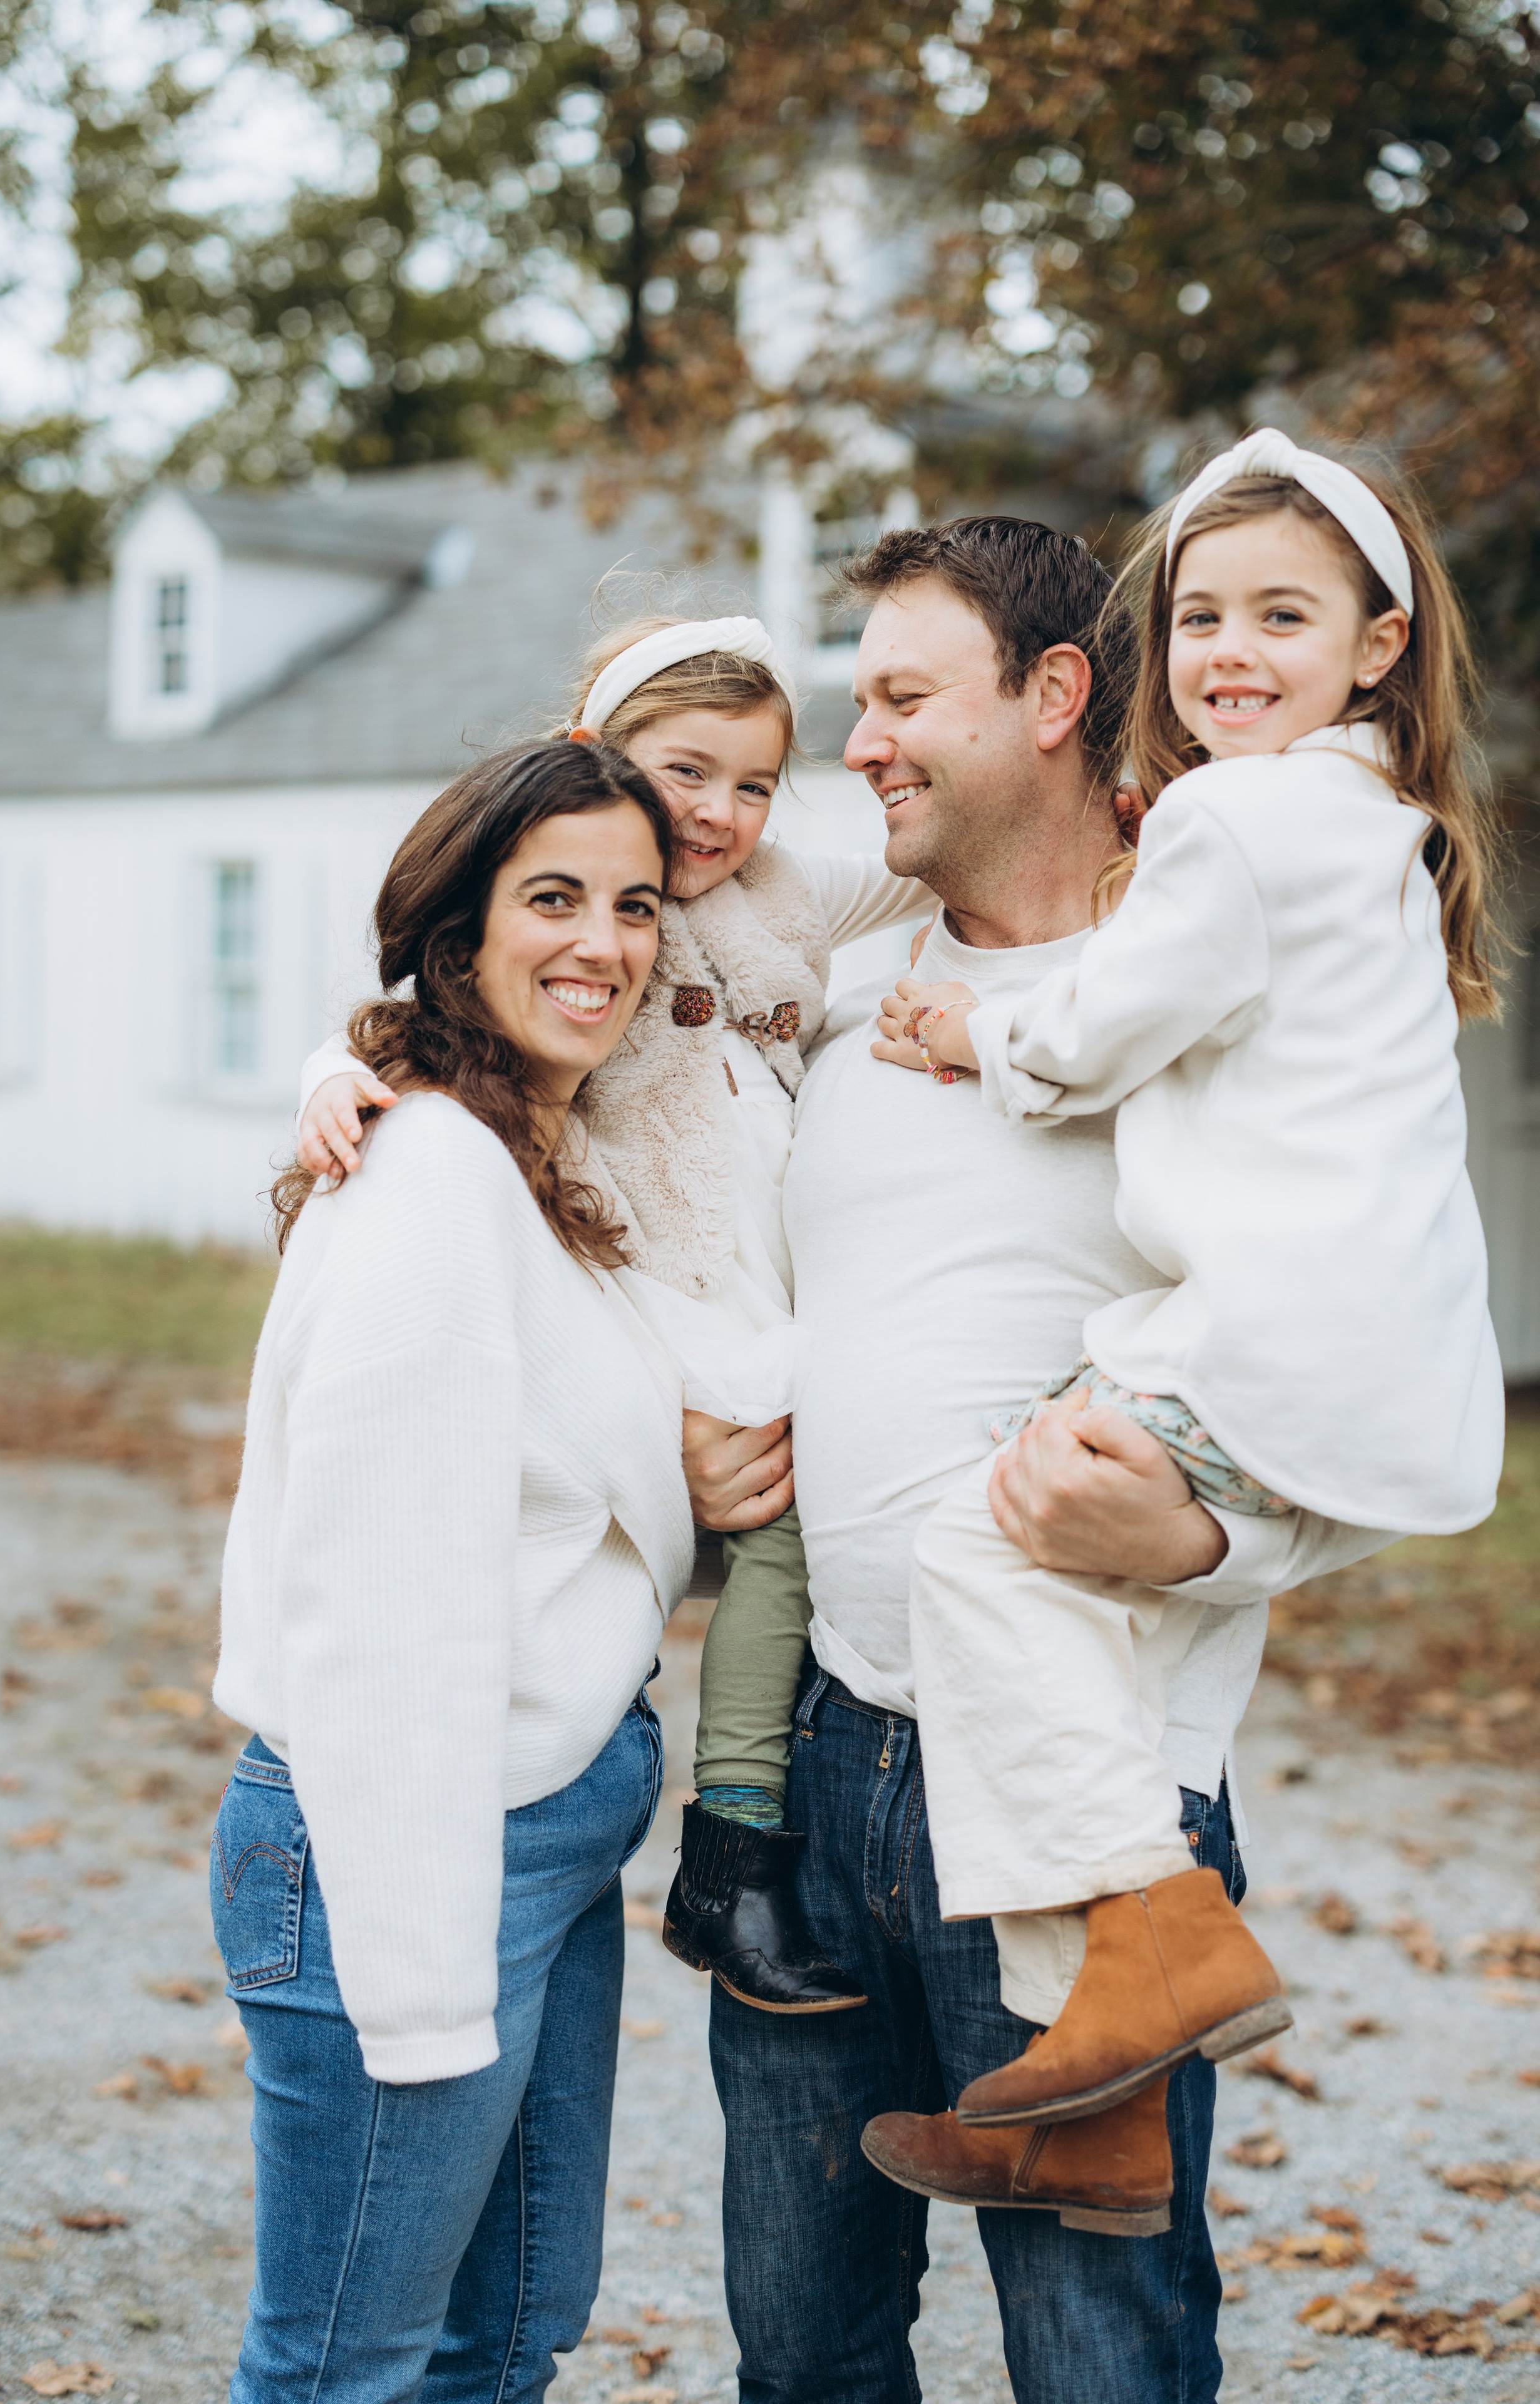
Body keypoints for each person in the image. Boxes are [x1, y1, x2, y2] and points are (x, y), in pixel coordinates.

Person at [680, 515, 1405, 2402]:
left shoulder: (1231, 1012)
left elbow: (1354, 1367)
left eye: (908, 696)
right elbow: (528, 1005)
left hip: (1090, 1795)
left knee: (1103, 2362)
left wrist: (1200, 1548)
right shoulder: (836, 997)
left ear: (1058, 696)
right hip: (817, 1771)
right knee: (805, 2354)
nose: (865, 743)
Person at [867, 432, 1505, 2149]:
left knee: (979, 1544)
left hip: (1260, 1338)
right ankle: (1095, 2091)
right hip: (1378, 1358)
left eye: (1281, 616)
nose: (1229, 652)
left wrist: (969, 1028)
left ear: (1379, 643)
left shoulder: (1239, 814)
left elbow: (1107, 1024)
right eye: (1202, 613)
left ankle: (1155, 1937)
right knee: (1092, 1627)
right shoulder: (1378, 821)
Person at [295, 610, 932, 2016]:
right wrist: (319, 1079)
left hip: (755, 1252)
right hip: (646, 1252)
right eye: (685, 771)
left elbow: (920, 867)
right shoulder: (575, 911)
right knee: (777, 1505)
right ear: (597, 754)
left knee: (798, 1503)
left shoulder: (774, 893)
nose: (718, 813)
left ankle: (716, 1817)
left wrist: (1129, 812)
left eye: (756, 784)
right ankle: (734, 1839)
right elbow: (418, 989)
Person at [210, 739, 695, 2402]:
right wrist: (416, 1992)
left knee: (503, 2340)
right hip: (405, 1849)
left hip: (538, 1828)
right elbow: (376, 1611)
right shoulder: (431, 1179)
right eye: (552, 897)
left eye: (637, 904)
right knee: (348, 2363)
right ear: (457, 935)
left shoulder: (536, 1162)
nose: (604, 943)